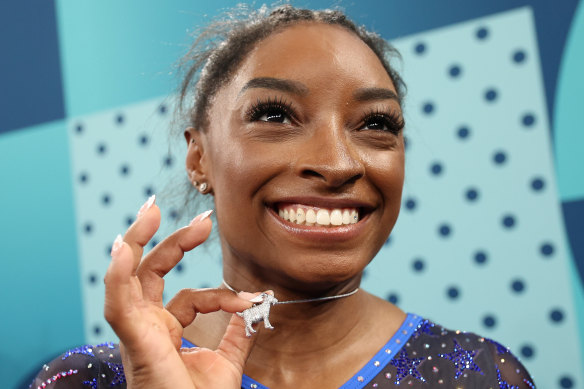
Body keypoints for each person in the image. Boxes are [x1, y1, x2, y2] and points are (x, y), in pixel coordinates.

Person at [31, 5, 536, 388]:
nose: (338, 164)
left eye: (376, 124)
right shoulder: (86, 380)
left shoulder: (481, 375)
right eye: (275, 116)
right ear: (198, 158)